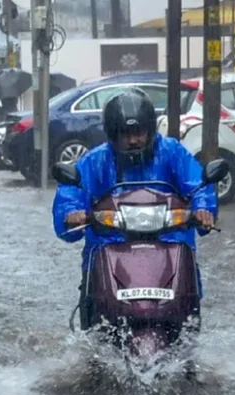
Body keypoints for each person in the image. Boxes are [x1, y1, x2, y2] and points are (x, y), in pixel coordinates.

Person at [51, 88, 217, 330]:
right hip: (109, 244)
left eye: (138, 132)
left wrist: (203, 209)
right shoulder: (95, 160)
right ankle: (93, 335)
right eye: (125, 134)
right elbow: (71, 193)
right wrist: (72, 213)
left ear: (150, 130)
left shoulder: (172, 153)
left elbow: (198, 184)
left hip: (170, 240)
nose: (133, 140)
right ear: (112, 134)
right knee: (91, 302)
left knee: (189, 302)